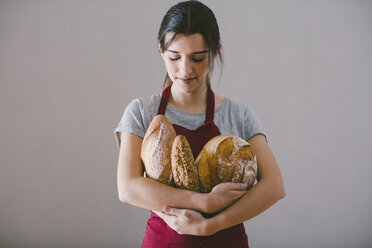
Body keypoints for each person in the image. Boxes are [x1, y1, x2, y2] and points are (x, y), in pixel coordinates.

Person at [114, 1, 286, 247]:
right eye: (174, 57)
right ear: (161, 50)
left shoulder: (237, 114)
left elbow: (274, 186)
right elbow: (128, 187)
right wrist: (203, 202)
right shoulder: (142, 112)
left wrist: (210, 225)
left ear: (214, 52)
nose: (185, 69)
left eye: (197, 58)